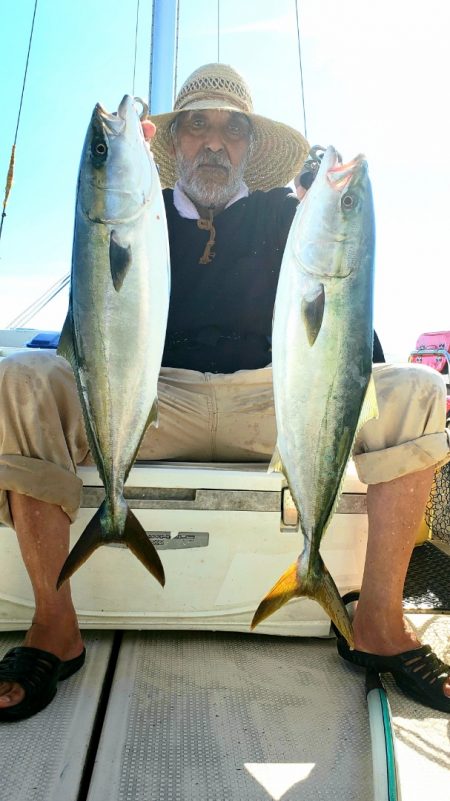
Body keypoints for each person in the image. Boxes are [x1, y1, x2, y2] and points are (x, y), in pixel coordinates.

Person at [0, 63, 449, 721]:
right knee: (19, 379)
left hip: (273, 403)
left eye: (232, 130)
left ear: (249, 148)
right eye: (197, 128)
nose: (214, 143)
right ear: (172, 142)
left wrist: (362, 373)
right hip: (151, 402)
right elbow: (96, 330)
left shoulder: (288, 218)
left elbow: (332, 316)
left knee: (416, 389)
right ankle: (53, 623)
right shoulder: (136, 210)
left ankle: (379, 619)